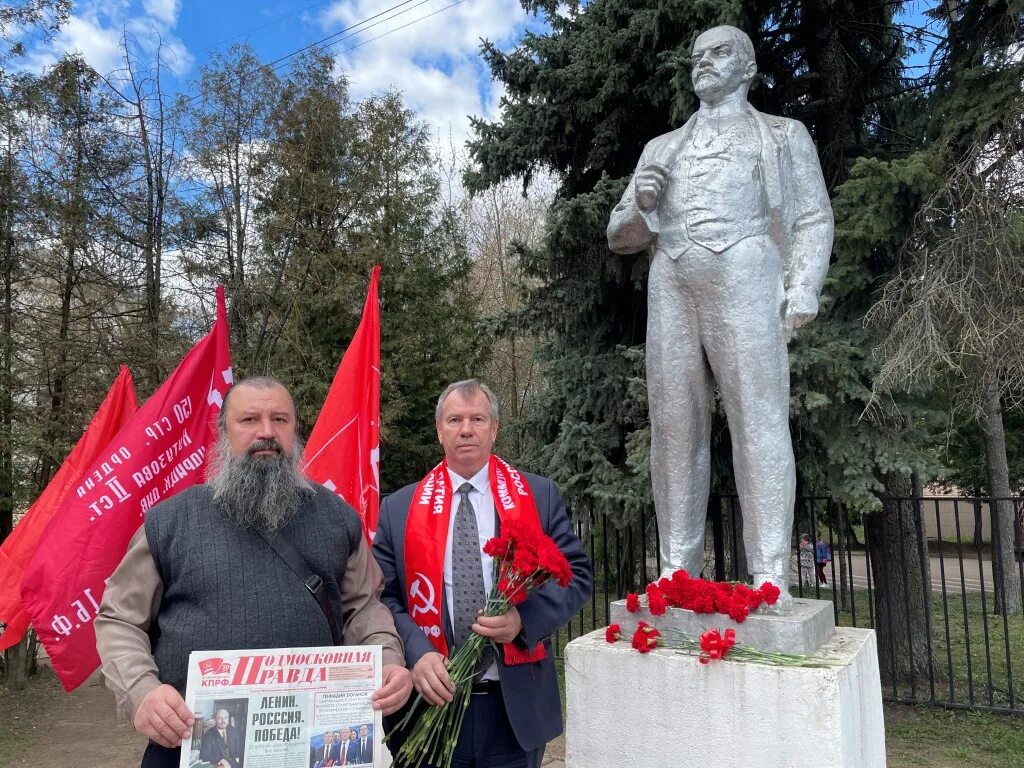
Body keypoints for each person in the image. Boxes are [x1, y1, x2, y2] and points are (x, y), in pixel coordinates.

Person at [606, 25, 834, 611]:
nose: (704, 63)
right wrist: (643, 204)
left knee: (759, 422)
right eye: (697, 56)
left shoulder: (782, 136)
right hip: (673, 284)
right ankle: (677, 566)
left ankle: (769, 572)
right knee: (675, 427)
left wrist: (803, 285)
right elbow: (620, 235)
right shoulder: (662, 148)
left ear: (748, 66)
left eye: (719, 53)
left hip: (749, 276)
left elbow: (812, 216)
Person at [95, 376, 413, 768]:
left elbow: (364, 609)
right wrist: (142, 690)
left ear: (295, 431)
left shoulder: (337, 517)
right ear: (223, 432)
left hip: (311, 748)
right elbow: (119, 619)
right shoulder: (170, 522)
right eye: (249, 419)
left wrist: (387, 660)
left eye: (280, 419)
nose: (266, 432)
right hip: (193, 745)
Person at [373, 380, 593, 768]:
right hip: (429, 703)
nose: (466, 429)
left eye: (478, 419)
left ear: (494, 429)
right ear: (439, 430)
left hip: (513, 711)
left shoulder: (537, 495)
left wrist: (523, 620)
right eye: (455, 419)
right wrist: (417, 652)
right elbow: (382, 598)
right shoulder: (399, 507)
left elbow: (575, 575)